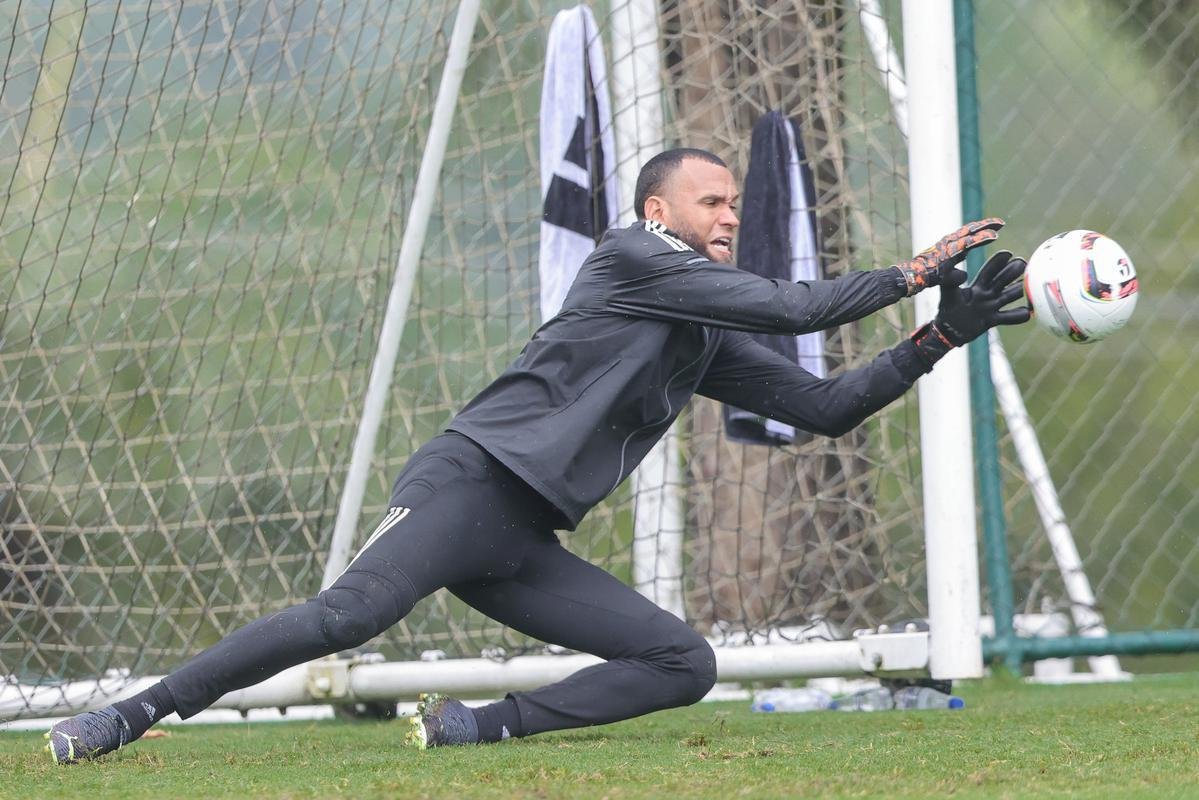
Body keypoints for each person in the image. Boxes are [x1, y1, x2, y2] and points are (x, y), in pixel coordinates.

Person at [46, 148, 1029, 763]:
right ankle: (125, 717)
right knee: (345, 615)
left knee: (681, 659)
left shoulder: (699, 332)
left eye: (733, 204)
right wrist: (910, 271)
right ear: (658, 212)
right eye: (709, 201)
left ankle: (476, 727)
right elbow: (793, 305)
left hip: (520, 538)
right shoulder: (634, 258)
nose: (726, 216)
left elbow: (822, 407)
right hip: (468, 480)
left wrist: (937, 338)